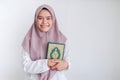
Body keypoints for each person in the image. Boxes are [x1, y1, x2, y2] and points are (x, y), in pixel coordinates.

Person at [22, 4, 71, 80]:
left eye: (48, 18)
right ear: (36, 19)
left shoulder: (61, 38)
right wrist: (46, 63)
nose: (44, 21)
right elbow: (26, 66)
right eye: (40, 18)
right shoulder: (28, 40)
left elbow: (67, 60)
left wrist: (65, 64)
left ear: (53, 19)